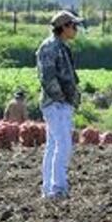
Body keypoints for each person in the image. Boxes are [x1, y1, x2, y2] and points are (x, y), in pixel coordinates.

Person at [36, 10, 83, 199]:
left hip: (60, 103)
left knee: (53, 145)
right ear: (64, 27)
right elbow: (48, 77)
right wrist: (62, 98)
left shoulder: (62, 47)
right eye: (74, 25)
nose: (76, 29)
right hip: (55, 104)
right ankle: (58, 188)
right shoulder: (50, 47)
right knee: (63, 145)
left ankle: (49, 189)